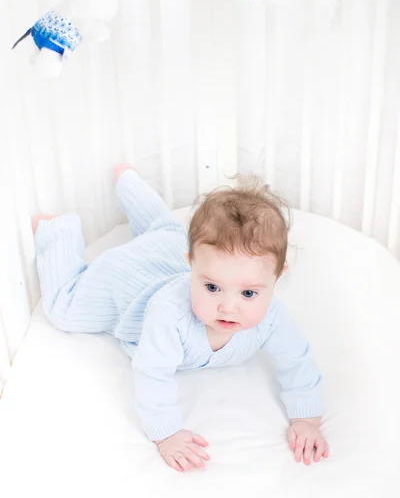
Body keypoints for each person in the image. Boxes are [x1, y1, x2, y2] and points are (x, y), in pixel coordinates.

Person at [32, 164, 329, 472]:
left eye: (248, 294)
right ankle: (58, 231)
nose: (228, 307)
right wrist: (167, 432)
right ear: (192, 267)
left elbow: (297, 360)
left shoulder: (271, 315)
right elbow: (152, 372)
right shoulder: (169, 315)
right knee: (62, 309)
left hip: (169, 251)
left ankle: (130, 183)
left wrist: (306, 418)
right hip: (131, 282)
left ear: (277, 278)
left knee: (166, 230)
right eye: (212, 287)